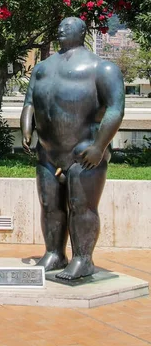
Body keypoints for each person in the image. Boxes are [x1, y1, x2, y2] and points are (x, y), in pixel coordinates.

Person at [20, 17, 124, 280]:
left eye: (70, 25)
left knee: (82, 207)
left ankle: (83, 258)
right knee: (50, 206)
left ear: (83, 31)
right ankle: (54, 252)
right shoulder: (42, 68)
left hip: (84, 150)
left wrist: (100, 146)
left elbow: (116, 109)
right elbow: (30, 101)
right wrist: (26, 128)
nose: (62, 28)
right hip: (47, 150)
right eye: (61, 24)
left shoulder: (102, 68)